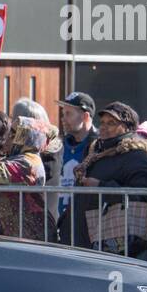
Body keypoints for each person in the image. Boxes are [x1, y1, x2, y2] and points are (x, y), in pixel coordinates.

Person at [69, 101, 147, 255]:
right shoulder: (94, 154)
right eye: (102, 122)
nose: (103, 126)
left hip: (115, 244)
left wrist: (101, 186)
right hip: (83, 236)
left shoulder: (137, 157)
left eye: (111, 123)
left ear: (128, 128)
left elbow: (143, 196)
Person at [53, 91, 98, 237]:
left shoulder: (100, 146)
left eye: (68, 114)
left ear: (85, 116)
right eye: (63, 114)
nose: (63, 119)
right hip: (60, 223)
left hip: (87, 226)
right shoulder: (59, 145)